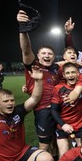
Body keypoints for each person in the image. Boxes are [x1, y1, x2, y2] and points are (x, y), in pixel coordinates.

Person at [17, 8, 60, 152]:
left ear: (53, 57)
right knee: (44, 145)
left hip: (58, 109)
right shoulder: (33, 67)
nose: (47, 56)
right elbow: (26, 49)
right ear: (39, 56)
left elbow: (68, 62)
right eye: (44, 53)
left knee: (57, 139)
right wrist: (23, 29)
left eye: (50, 54)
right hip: (43, 111)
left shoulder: (56, 69)